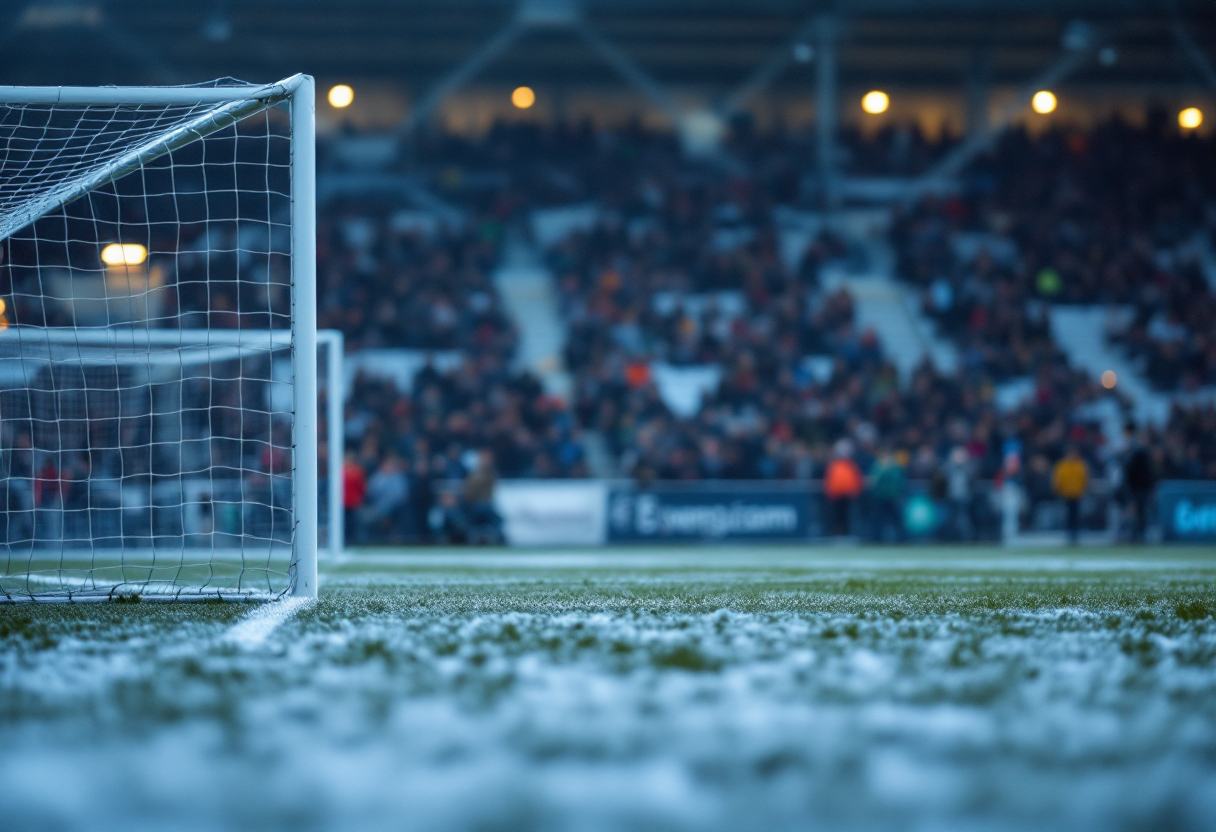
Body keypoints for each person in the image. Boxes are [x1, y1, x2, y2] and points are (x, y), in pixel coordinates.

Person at [1122, 423, 1155, 543]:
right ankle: (1134, 536)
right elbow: (1129, 474)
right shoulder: (1135, 455)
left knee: (1140, 515)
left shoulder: (1141, 455)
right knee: (1135, 514)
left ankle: (1139, 536)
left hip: (1140, 489)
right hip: (1135, 489)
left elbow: (1148, 475)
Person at [824, 440, 864, 537]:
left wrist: (855, 492)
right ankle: (836, 534)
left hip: (848, 495)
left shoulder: (850, 465)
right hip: (836, 495)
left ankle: (847, 533)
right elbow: (829, 480)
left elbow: (857, 480)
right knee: (836, 516)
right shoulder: (835, 465)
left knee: (847, 516)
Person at [1052, 445, 1089, 545]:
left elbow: (1084, 479)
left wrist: (1083, 490)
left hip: (1077, 494)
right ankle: (1069, 534)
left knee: (1076, 515)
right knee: (1068, 515)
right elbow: (1057, 480)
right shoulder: (1062, 465)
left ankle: (1075, 534)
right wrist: (1058, 490)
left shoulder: (1080, 465)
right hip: (1065, 495)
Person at [868, 448, 905, 542]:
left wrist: (899, 493)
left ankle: (901, 539)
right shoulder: (877, 466)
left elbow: (899, 480)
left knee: (896, 520)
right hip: (880, 497)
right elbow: (874, 481)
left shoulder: (895, 467)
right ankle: (875, 539)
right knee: (878, 520)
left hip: (892, 497)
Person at [342, 450, 367, 545]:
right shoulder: (341, 470)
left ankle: (355, 540)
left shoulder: (357, 471)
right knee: (344, 523)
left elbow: (361, 487)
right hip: (343, 503)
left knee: (353, 523)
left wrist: (361, 499)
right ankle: (345, 540)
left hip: (353, 502)